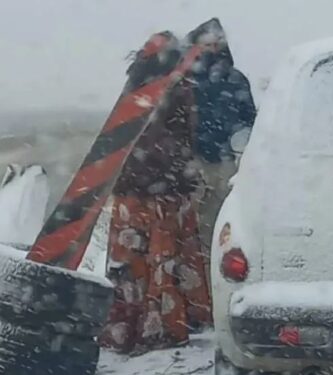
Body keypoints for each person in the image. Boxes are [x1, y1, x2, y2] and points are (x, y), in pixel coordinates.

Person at [99, 79, 212, 354]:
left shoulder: (135, 90)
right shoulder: (180, 89)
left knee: (129, 262)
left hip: (134, 188)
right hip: (165, 190)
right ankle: (163, 324)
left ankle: (126, 325)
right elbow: (185, 136)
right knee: (165, 261)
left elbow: (121, 138)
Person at [191, 34, 257, 255]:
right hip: (196, 159)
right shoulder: (189, 81)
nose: (212, 48)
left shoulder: (236, 80)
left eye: (215, 43)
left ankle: (216, 257)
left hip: (227, 158)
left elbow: (249, 119)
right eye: (206, 44)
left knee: (224, 212)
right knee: (197, 216)